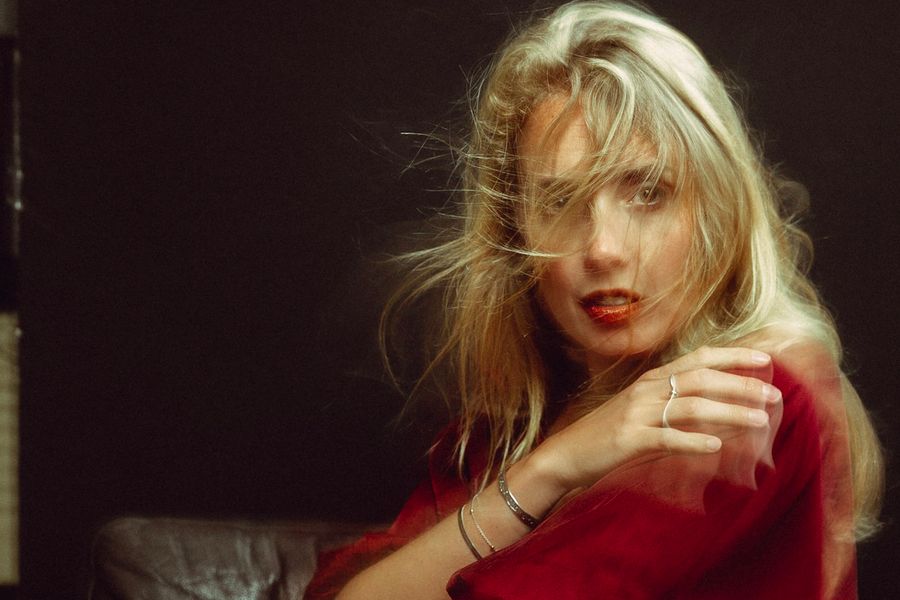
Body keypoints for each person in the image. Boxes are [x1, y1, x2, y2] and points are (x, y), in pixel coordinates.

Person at [305, 2, 883, 598]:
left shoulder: (748, 396)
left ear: (716, 211)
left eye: (649, 193)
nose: (603, 249)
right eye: (559, 202)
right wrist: (549, 467)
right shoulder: (512, 428)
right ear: (514, 233)